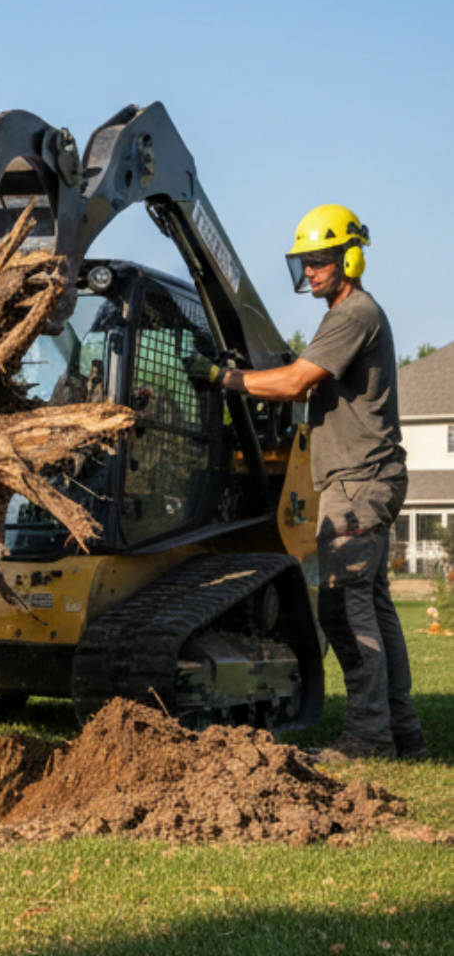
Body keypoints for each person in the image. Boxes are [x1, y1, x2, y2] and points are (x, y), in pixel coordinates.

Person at [185, 204, 426, 760]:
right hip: (367, 478)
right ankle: (403, 733)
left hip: (357, 483)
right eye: (305, 262)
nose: (310, 271)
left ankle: (368, 738)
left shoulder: (354, 314)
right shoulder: (345, 316)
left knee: (342, 608)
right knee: (375, 608)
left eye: (319, 261)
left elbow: (296, 383)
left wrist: (225, 377)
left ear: (350, 258)